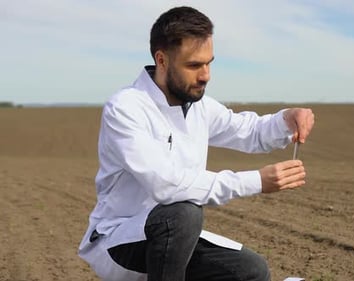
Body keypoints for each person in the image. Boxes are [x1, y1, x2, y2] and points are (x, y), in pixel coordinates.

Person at [78, 6, 314, 281]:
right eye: (194, 65)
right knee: (183, 212)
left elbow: (249, 131)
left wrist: (287, 119)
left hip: (171, 241)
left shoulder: (199, 108)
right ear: (162, 60)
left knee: (250, 270)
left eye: (208, 63)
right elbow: (165, 185)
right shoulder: (126, 108)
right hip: (120, 240)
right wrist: (256, 181)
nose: (206, 75)